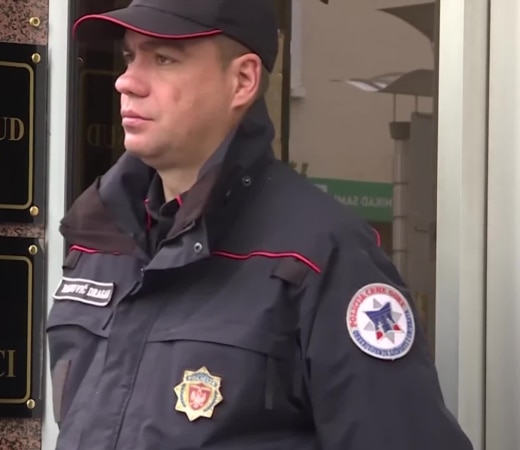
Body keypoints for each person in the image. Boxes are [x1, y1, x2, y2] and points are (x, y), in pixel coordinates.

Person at [45, 0, 475, 449]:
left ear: (243, 80)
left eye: (165, 59)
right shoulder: (102, 239)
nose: (127, 81)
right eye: (130, 56)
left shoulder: (320, 255)